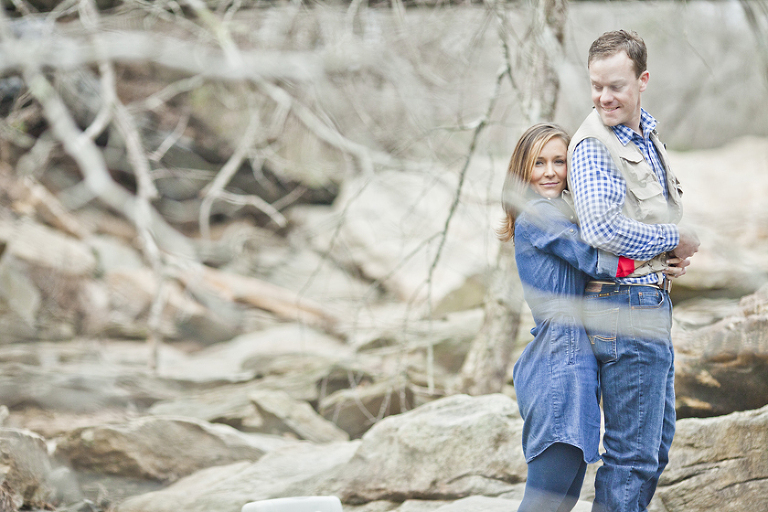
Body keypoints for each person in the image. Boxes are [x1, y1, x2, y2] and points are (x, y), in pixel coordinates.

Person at [499, 123, 681, 512]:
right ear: (521, 171)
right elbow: (596, 260)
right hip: (558, 367)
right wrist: (664, 252)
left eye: (559, 161)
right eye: (538, 163)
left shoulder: (560, 213)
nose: (550, 172)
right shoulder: (538, 213)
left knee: (560, 503)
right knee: (544, 504)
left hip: (573, 366)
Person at [566, 30, 700, 512]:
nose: (604, 97)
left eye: (616, 86)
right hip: (622, 309)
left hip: (648, 301)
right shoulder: (594, 145)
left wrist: (667, 260)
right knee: (631, 458)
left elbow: (642, 217)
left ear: (643, 80)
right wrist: (673, 240)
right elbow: (601, 229)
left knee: (654, 448)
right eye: (596, 85)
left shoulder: (644, 135)